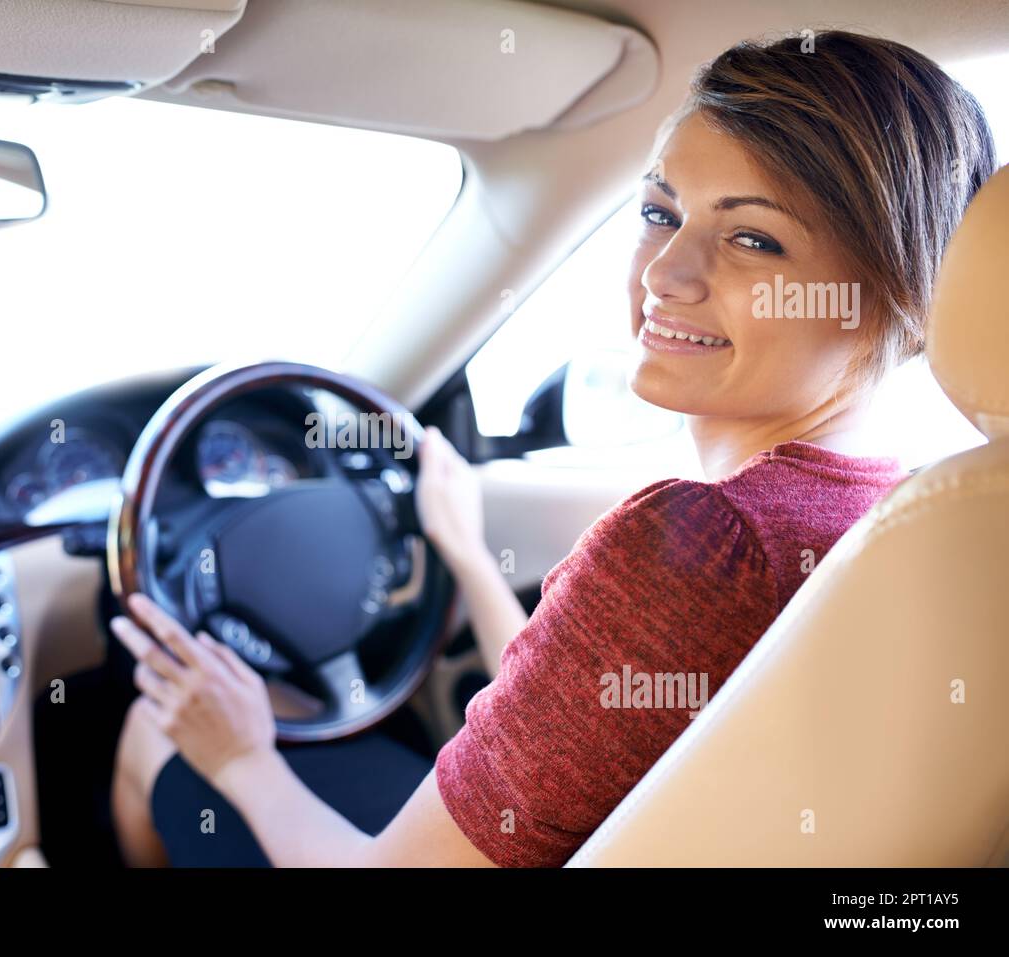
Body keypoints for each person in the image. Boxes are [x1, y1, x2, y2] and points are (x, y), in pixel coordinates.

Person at [110, 31, 998, 867]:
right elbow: (598, 708)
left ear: (903, 296)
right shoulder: (905, 515)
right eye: (660, 211)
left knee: (155, 742)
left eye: (752, 238)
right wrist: (462, 546)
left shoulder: (699, 544)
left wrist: (239, 758)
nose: (663, 273)